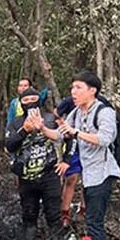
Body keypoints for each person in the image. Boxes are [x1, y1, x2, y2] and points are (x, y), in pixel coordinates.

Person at [42, 72, 120, 240]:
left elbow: (104, 139)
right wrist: (41, 127)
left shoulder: (105, 112)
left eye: (78, 87)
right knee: (93, 220)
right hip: (90, 174)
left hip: (103, 174)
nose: (73, 92)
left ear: (92, 90)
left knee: (95, 221)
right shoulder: (76, 112)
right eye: (72, 87)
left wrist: (75, 133)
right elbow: (59, 135)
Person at [5, 88, 64, 240]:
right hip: (26, 177)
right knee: (29, 214)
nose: (30, 103)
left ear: (39, 100)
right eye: (25, 100)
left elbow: (67, 137)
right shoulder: (16, 122)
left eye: (33, 99)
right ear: (20, 104)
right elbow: (9, 146)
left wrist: (66, 161)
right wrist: (25, 130)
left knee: (53, 213)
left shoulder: (51, 118)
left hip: (49, 174)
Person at [53, 97, 82, 227]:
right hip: (73, 143)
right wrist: (62, 125)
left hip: (92, 145)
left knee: (89, 180)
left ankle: (84, 210)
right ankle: (65, 212)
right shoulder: (71, 101)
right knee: (71, 178)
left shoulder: (101, 104)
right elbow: (56, 113)